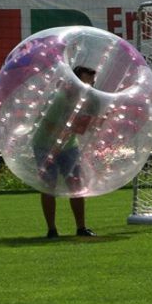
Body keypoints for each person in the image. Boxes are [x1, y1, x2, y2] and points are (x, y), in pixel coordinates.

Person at [42, 64, 98, 238]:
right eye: (86, 82)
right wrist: (69, 130)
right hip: (45, 144)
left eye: (92, 83)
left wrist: (96, 121)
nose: (89, 86)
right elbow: (48, 125)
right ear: (75, 81)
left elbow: (81, 127)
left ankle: (81, 228)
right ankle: (52, 230)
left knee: (76, 185)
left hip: (69, 145)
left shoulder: (85, 101)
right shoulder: (60, 98)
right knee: (49, 186)